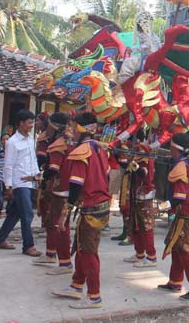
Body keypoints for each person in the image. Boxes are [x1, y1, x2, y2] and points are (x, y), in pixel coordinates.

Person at [51, 112, 111, 309]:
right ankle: (77, 286)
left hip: (91, 207)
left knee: (87, 251)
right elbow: (107, 177)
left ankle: (94, 296)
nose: (71, 131)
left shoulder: (82, 151)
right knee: (81, 247)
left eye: (73, 127)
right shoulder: (100, 149)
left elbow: (75, 186)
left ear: (82, 129)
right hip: (100, 204)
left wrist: (64, 212)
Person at [159, 133, 189, 300]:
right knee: (178, 248)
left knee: (185, 250)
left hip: (186, 214)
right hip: (188, 212)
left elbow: (178, 197)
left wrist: (159, 207)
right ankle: (175, 281)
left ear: (174, 148)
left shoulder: (180, 167)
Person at [0, 109, 42, 256]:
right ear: (21, 123)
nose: (31, 125)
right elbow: (8, 165)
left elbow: (32, 160)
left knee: (15, 213)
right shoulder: (13, 142)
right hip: (19, 182)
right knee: (27, 213)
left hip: (29, 181)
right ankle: (28, 246)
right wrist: (8, 186)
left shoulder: (30, 139)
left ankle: (0, 239)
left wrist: (36, 176)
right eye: (29, 123)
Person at [32, 113, 74, 270]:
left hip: (60, 189)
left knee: (60, 225)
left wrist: (40, 177)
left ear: (53, 126)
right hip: (59, 188)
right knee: (52, 221)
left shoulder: (59, 145)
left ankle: (65, 262)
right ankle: (51, 253)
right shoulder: (67, 141)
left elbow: (53, 169)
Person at [121, 143, 158, 268]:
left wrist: (133, 163)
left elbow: (143, 174)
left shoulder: (146, 162)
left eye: (140, 150)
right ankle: (139, 254)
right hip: (135, 198)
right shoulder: (137, 160)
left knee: (146, 227)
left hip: (144, 199)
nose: (138, 151)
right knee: (136, 226)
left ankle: (151, 257)